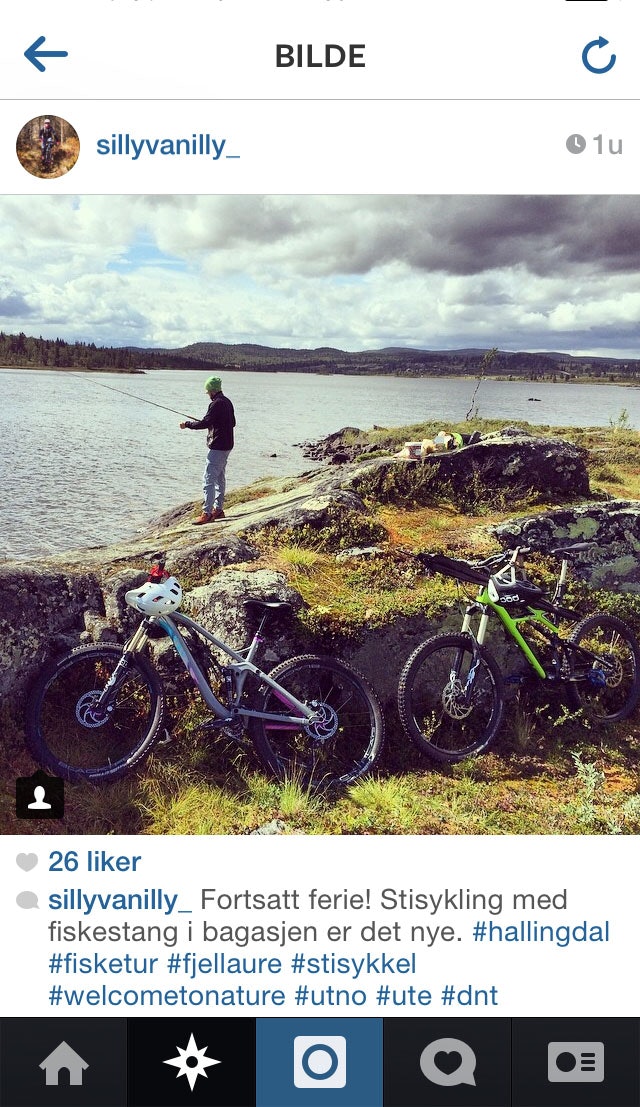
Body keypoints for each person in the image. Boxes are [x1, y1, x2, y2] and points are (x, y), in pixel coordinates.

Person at [180, 376, 235, 524]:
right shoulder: (228, 402)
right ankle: (218, 510)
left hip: (218, 446)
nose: (208, 394)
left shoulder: (216, 404)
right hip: (227, 445)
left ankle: (207, 513)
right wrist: (214, 424)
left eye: (208, 391)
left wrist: (188, 424)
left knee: (209, 479)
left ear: (212, 390)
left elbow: (204, 423)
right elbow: (232, 423)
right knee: (219, 478)